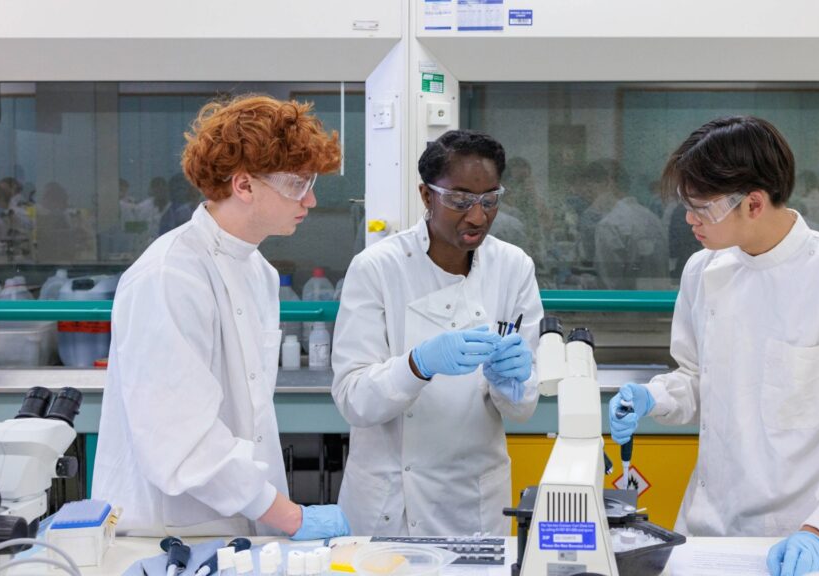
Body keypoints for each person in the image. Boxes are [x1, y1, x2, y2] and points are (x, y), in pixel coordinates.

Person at [608, 116, 819, 576]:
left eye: (703, 208)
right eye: (686, 205)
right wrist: (656, 396)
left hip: (802, 539)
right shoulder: (702, 271)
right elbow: (697, 377)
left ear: (753, 203)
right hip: (706, 530)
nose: (689, 220)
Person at [93, 95, 350, 539]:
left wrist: (267, 509)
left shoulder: (259, 272)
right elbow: (180, 436)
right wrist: (289, 516)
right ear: (244, 185)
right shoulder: (169, 275)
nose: (310, 200)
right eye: (296, 183)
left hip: (242, 522)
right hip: (167, 531)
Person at [332, 129, 544, 537]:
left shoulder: (513, 267)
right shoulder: (377, 268)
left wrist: (515, 381)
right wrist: (417, 364)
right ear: (427, 195)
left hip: (472, 500)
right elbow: (353, 400)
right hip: (393, 499)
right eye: (460, 200)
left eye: (489, 200)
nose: (477, 216)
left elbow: (522, 409)